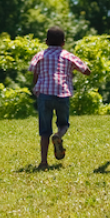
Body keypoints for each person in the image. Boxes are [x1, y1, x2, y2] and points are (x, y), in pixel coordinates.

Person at [28, 26, 90, 170]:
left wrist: (35, 87)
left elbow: (34, 73)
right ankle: (58, 135)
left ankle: (43, 162)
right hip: (62, 94)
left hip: (44, 94)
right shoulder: (68, 56)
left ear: (46, 42)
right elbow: (87, 71)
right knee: (64, 124)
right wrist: (73, 68)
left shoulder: (40, 55)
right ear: (63, 42)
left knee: (44, 131)